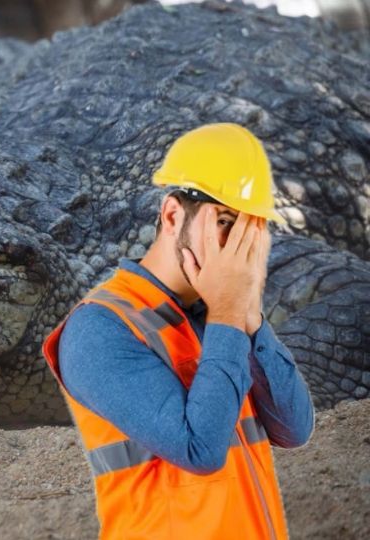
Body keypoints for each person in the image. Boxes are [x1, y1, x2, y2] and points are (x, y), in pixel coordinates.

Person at [42, 123, 315, 540]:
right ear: (172, 215)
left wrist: (248, 314)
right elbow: (199, 449)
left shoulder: (218, 314)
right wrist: (227, 310)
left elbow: (294, 429)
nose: (238, 246)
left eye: (251, 228)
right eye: (226, 221)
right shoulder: (99, 328)